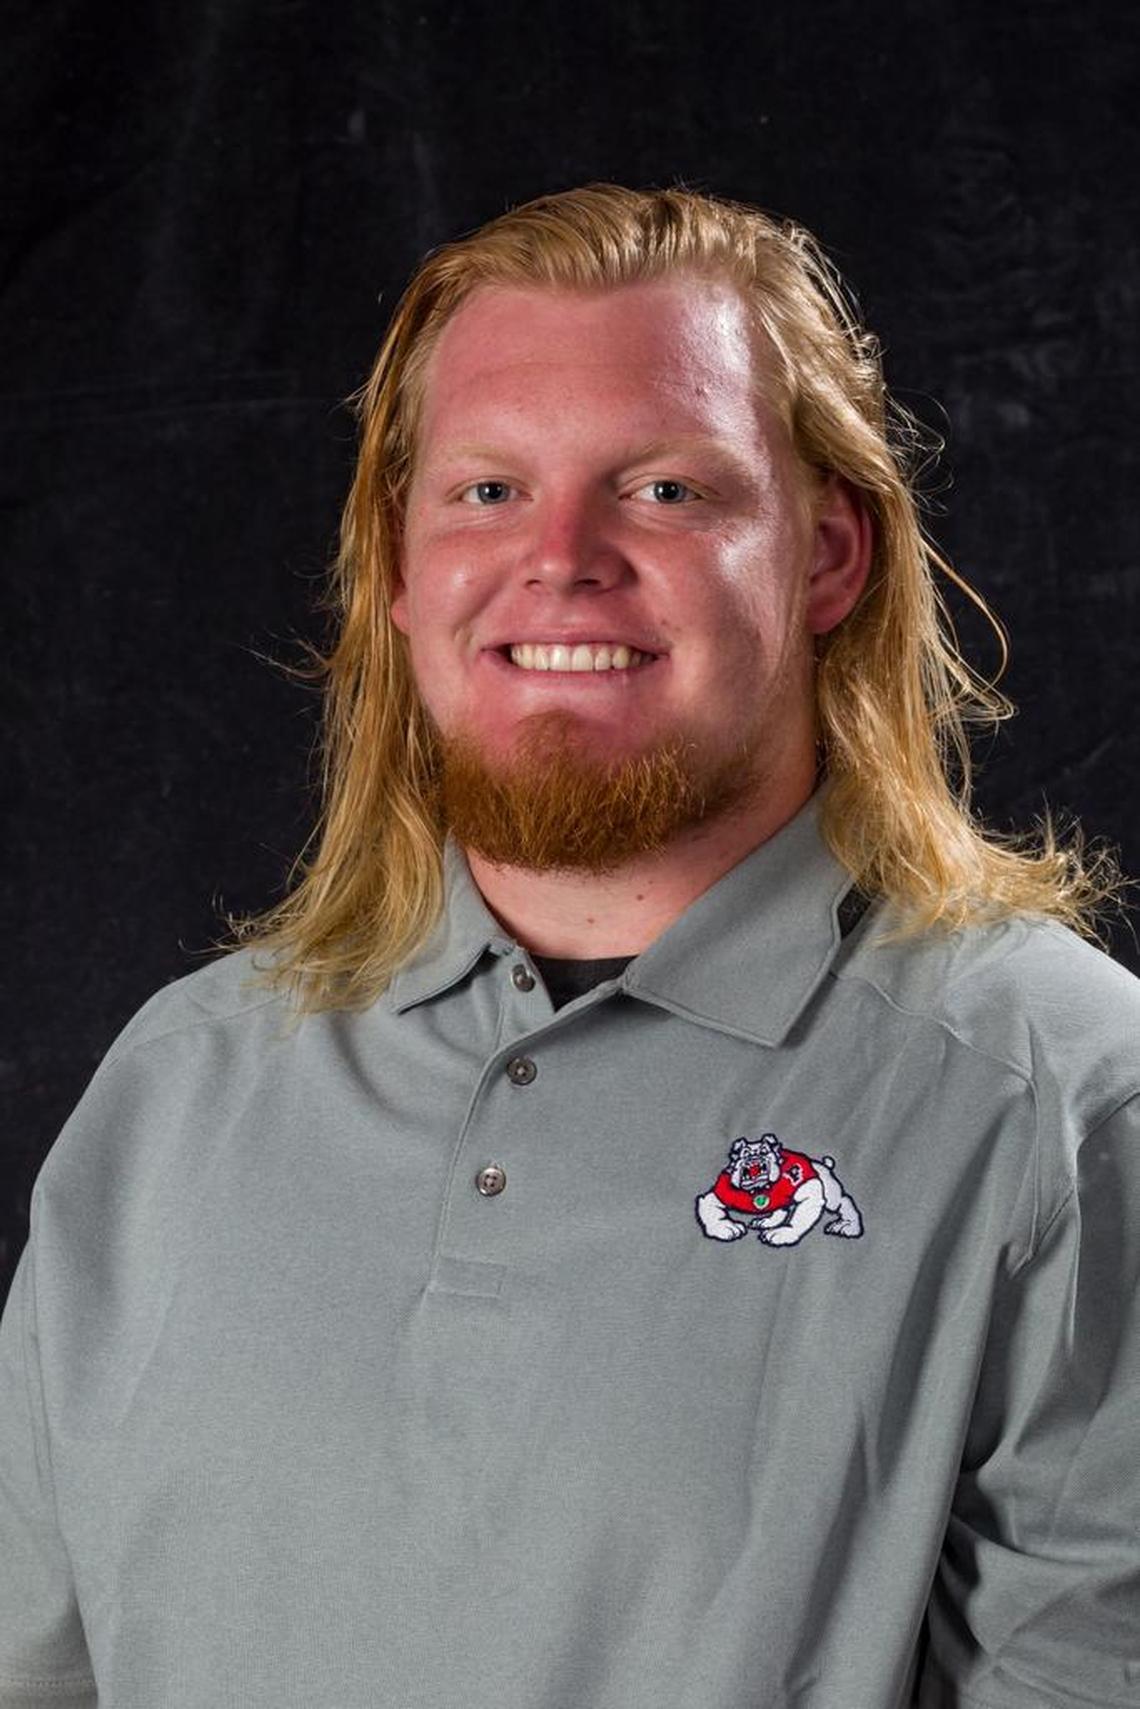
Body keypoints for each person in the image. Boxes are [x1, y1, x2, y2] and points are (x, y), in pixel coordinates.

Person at [0, 184, 1136, 1709]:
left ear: (828, 556)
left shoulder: (1061, 1101)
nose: (562, 558)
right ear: (398, 576)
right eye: (484, 491)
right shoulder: (179, 1091)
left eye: (664, 489)